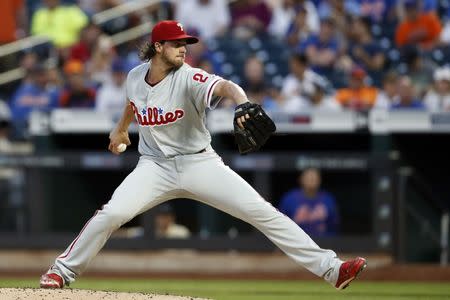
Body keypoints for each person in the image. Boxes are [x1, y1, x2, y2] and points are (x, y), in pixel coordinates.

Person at [39, 20, 366, 290]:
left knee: (263, 213)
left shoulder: (190, 77)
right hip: (154, 166)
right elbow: (133, 104)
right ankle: (60, 272)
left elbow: (225, 86)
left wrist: (242, 102)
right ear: (158, 47)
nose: (184, 48)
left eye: (186, 42)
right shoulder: (134, 76)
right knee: (111, 215)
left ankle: (332, 270)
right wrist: (121, 128)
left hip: (199, 162)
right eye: (176, 43)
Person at [278, 168, 340, 237]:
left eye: (314, 178)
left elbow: (334, 225)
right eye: (308, 177)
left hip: (322, 242)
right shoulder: (290, 198)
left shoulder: (328, 199)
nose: (311, 180)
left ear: (320, 180)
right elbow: (281, 224)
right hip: (296, 241)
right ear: (301, 179)